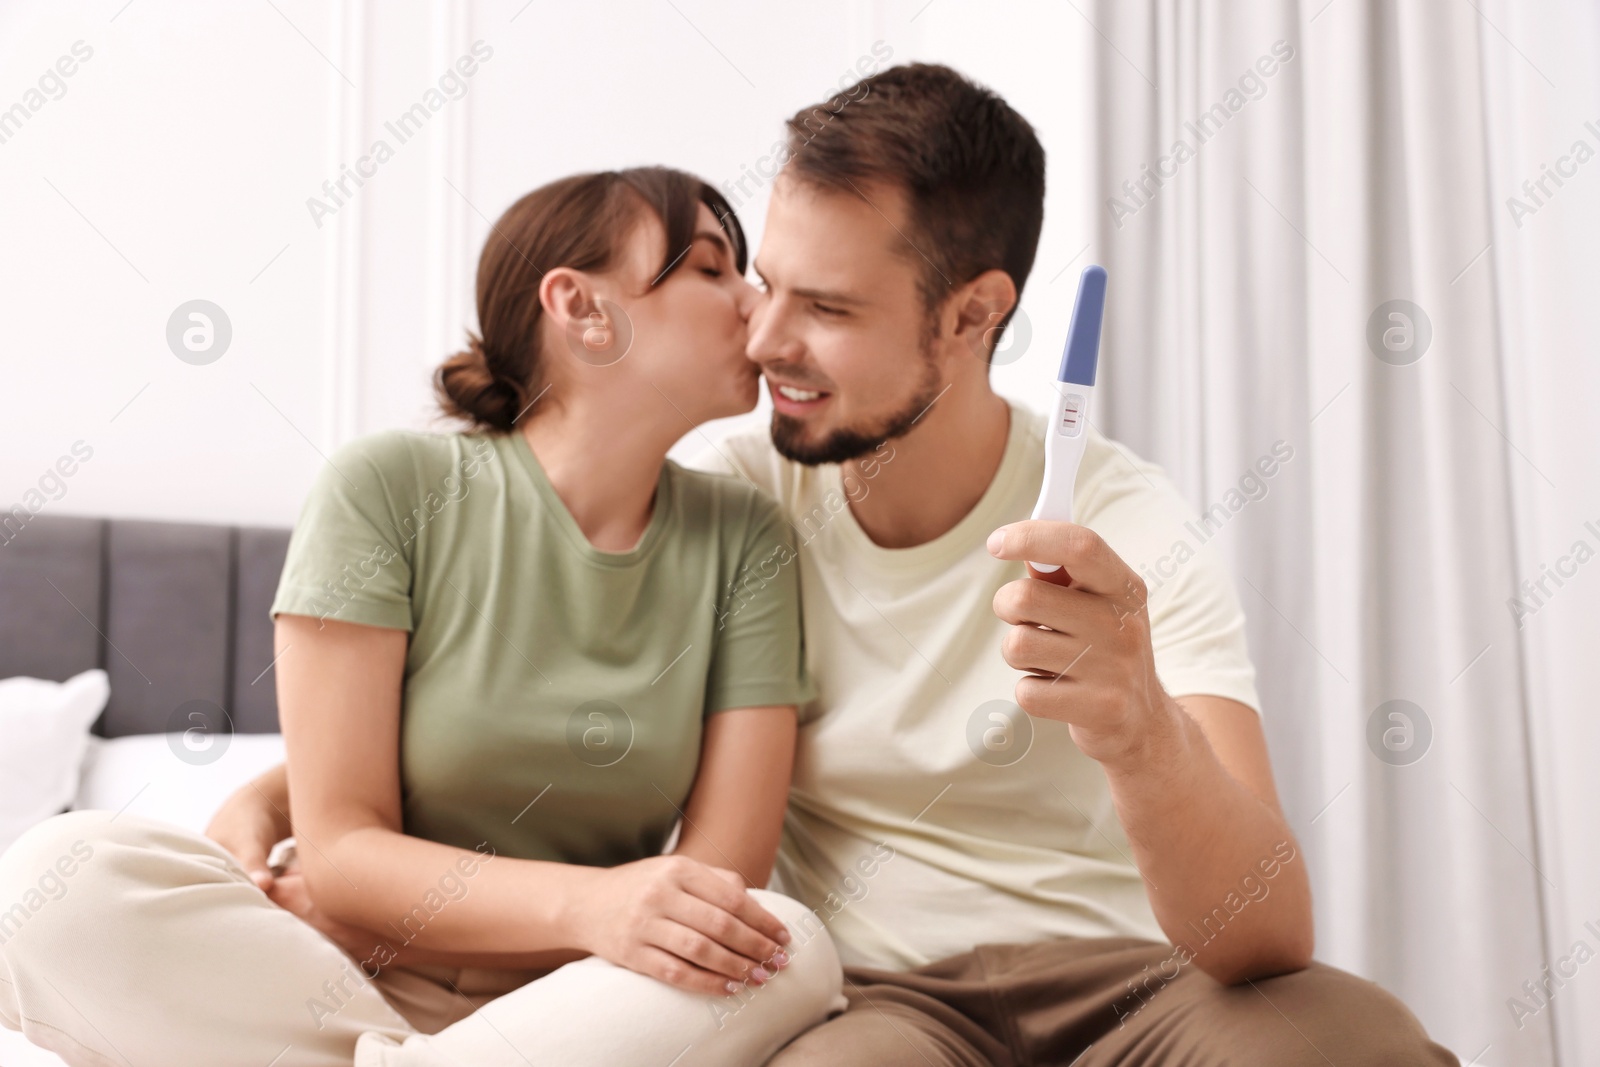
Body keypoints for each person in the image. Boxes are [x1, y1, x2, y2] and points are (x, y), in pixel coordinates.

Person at [225, 64, 1457, 1064]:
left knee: (1349, 1040)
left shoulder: (1128, 524)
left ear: (973, 314)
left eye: (828, 308)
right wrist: (286, 800)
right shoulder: (736, 506)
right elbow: (525, 705)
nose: (763, 339)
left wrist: (1138, 725)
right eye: (762, 286)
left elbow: (1264, 933)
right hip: (871, 999)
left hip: (1137, 987)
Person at [0, 167, 847, 1067]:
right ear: (584, 307)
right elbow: (343, 853)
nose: (757, 304)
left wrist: (426, 918)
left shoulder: (747, 537)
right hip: (328, 978)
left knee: (789, 944)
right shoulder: (388, 488)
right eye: (713, 269)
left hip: (585, 1006)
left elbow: (713, 893)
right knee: (54, 879)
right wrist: (591, 906)